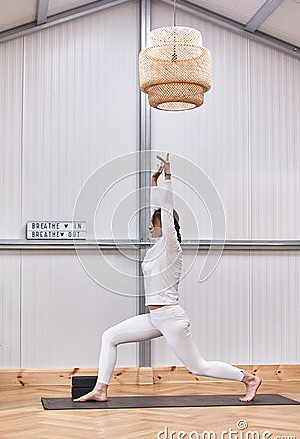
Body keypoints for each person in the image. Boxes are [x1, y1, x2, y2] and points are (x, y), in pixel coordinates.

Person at [74, 153, 261, 403]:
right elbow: (160, 210)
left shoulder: (171, 248)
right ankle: (101, 389)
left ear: (164, 225)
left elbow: (166, 209)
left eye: (153, 223)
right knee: (109, 337)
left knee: (198, 367)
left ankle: (249, 379)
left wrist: (168, 177)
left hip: (171, 317)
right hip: (155, 317)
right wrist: (153, 181)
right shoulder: (155, 249)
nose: (149, 227)